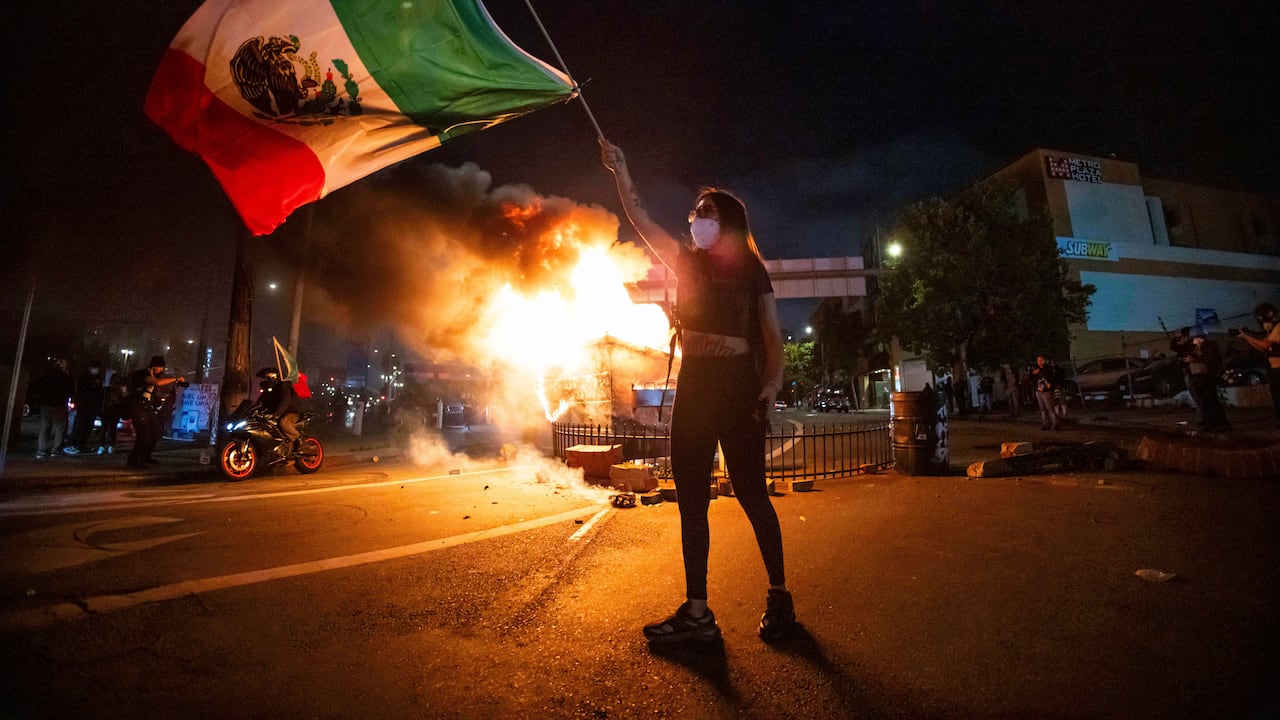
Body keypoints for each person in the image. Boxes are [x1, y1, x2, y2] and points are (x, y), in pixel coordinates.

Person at [602, 139, 794, 644]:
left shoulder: (752, 271)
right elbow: (642, 219)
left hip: (737, 386)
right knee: (691, 501)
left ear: (727, 220)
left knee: (753, 495)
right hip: (696, 387)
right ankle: (697, 611)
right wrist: (622, 171)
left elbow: (772, 338)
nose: (697, 219)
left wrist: (771, 384)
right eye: (695, 212)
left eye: (707, 212)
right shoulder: (685, 262)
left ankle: (780, 597)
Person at [127, 355, 186, 469]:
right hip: (138, 406)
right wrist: (175, 378)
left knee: (156, 430)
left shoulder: (155, 375)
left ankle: (145, 455)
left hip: (147, 406)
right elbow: (156, 383)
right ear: (154, 366)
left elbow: (155, 391)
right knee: (143, 434)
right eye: (160, 368)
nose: (161, 371)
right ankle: (133, 458)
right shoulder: (143, 374)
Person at [1232, 302, 1280, 426]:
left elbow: (1265, 345)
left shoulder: (1278, 327)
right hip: (1273, 367)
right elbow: (1262, 348)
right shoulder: (1270, 332)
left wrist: (1247, 336)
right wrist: (1246, 337)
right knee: (1276, 396)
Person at [1184, 326, 1230, 432]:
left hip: (1209, 376)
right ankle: (1212, 424)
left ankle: (1220, 425)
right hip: (1199, 377)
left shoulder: (1210, 346)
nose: (1193, 342)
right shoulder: (1196, 348)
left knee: (1212, 401)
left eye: (1194, 339)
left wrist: (1194, 359)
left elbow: (1210, 359)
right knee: (1205, 402)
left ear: (1199, 337)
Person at [28, 357, 75, 458]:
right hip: (59, 405)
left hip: (45, 405)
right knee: (59, 428)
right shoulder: (66, 378)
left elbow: (38, 388)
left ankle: (41, 450)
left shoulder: (46, 376)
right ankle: (56, 449)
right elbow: (71, 391)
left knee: (45, 428)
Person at [63, 360, 106, 455]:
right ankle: (70, 444)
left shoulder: (97, 378)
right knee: (80, 425)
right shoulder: (84, 377)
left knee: (88, 426)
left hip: (92, 406)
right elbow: (82, 390)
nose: (97, 370)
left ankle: (82, 444)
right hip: (84, 405)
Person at [255, 367, 301, 453]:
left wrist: (276, 414)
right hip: (276, 413)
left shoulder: (284, 386)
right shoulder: (267, 391)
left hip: (290, 411)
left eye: (268, 377)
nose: (266, 379)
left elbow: (285, 402)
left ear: (275, 376)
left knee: (283, 423)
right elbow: (259, 403)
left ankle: (298, 441)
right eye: (265, 378)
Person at [100, 371, 129, 454]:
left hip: (114, 410)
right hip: (108, 410)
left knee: (110, 429)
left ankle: (109, 446)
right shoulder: (108, 390)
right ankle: (104, 446)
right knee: (106, 428)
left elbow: (124, 397)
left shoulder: (116, 390)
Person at [1030, 356, 1060, 430]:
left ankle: (1055, 424)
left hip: (1046, 391)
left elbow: (1050, 377)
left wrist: (1040, 370)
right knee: (1042, 409)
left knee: (1050, 408)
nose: (1039, 362)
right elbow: (1031, 377)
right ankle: (1046, 424)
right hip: (1039, 391)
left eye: (1040, 360)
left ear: (1043, 361)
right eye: (1038, 360)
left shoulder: (1047, 368)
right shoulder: (1035, 369)